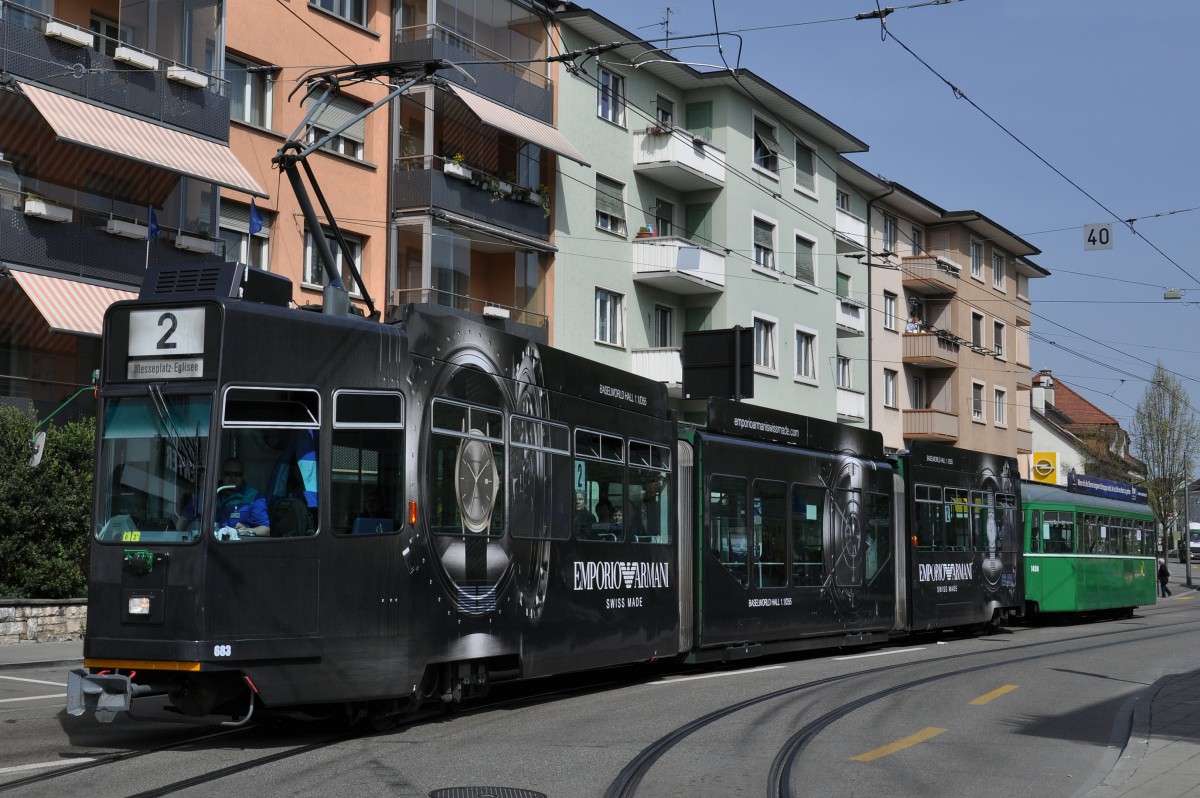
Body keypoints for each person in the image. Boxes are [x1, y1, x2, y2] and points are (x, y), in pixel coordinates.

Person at [177, 457, 270, 537]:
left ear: (243, 476)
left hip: (237, 547)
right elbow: (184, 518)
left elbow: (266, 529)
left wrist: (249, 531)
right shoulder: (207, 493)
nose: (233, 477)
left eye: (237, 474)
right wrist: (175, 537)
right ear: (221, 474)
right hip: (208, 544)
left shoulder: (253, 497)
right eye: (228, 473)